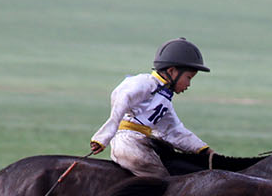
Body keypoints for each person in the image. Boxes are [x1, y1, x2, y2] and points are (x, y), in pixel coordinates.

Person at [89, 37, 212, 178]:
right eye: (189, 78)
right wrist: (103, 137)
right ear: (172, 71)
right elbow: (123, 98)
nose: (189, 84)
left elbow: (174, 130)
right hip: (129, 145)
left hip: (140, 142)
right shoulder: (145, 82)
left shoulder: (164, 98)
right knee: (163, 181)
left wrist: (204, 150)